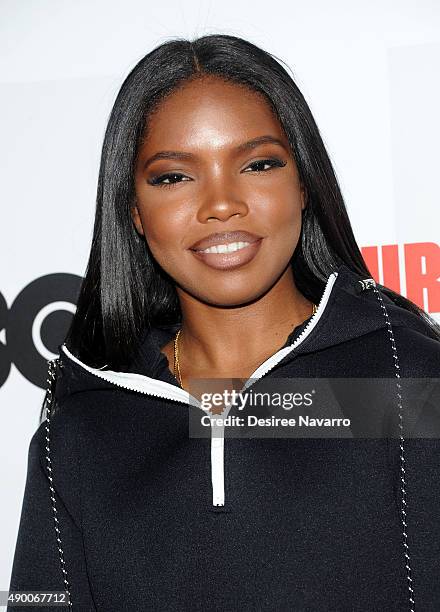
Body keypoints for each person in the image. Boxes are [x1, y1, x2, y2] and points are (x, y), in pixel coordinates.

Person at [8, 34, 440, 612]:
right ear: (133, 211)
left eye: (258, 164)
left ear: (303, 184)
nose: (220, 203)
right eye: (173, 176)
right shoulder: (81, 427)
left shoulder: (410, 382)